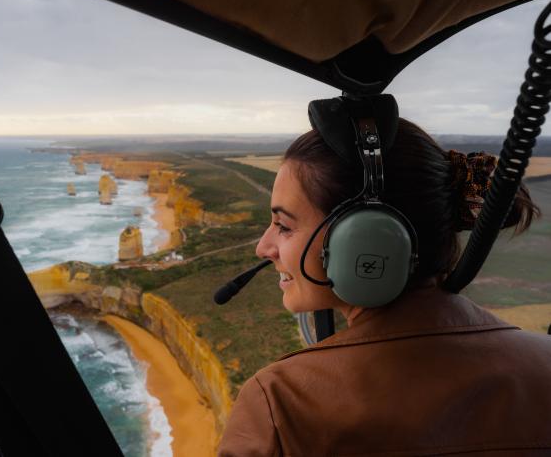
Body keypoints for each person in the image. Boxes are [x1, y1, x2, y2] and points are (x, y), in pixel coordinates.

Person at [218, 119, 551, 456]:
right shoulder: (544, 365)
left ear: (367, 238)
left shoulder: (280, 403)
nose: (263, 247)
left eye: (284, 226)